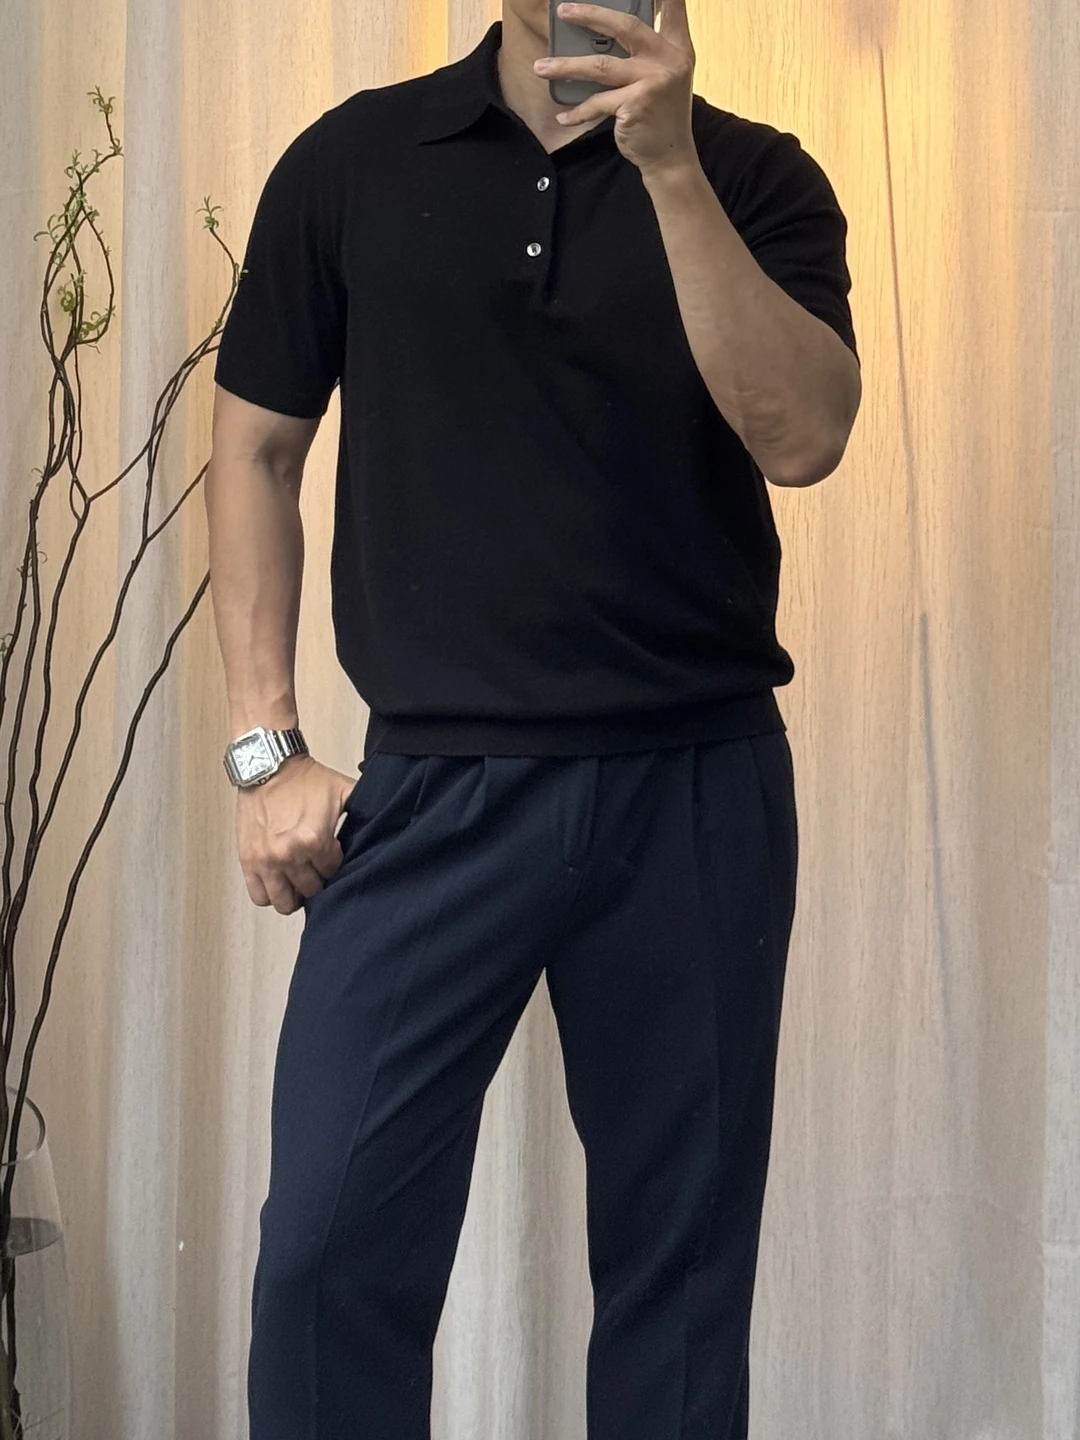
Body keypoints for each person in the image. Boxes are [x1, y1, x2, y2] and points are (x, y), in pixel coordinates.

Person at [204, 0, 861, 1435]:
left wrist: (668, 164)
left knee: (682, 1288)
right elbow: (254, 451)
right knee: (324, 1259)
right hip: (432, 794)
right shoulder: (352, 161)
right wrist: (266, 748)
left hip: (694, 788)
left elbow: (804, 437)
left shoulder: (759, 176)